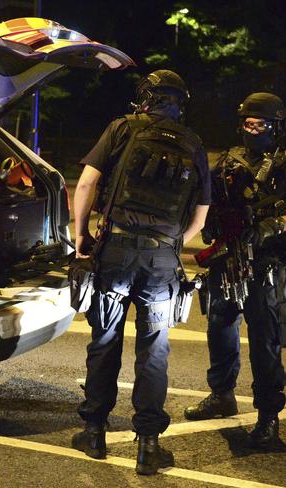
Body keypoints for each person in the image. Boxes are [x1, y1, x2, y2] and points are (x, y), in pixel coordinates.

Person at [71, 70, 211, 475]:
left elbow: (85, 186)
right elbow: (200, 217)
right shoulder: (193, 143)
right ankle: (148, 446)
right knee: (154, 351)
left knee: (105, 341)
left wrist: (82, 237)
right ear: (180, 102)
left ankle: (94, 433)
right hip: (162, 262)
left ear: (145, 97)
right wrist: (170, 244)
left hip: (114, 251)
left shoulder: (120, 129)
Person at [183, 92, 286, 449]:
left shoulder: (282, 163)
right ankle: (222, 395)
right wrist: (211, 224)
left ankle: (268, 416)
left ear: (275, 126)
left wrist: (269, 227)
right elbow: (208, 199)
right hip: (227, 258)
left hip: (265, 262)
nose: (253, 130)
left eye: (261, 125)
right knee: (219, 326)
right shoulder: (228, 159)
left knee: (265, 339)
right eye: (248, 123)